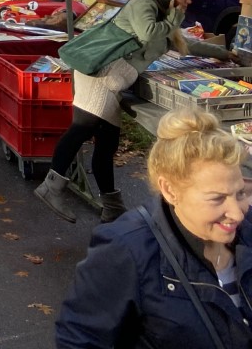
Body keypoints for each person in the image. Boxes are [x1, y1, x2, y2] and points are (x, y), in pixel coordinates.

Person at [55, 107, 252, 348]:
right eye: (217, 199)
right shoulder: (126, 250)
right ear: (170, 190)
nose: (237, 213)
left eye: (240, 193)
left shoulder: (247, 230)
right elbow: (80, 341)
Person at [37, 0, 210, 223]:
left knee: (107, 143)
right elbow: (149, 33)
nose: (188, 1)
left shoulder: (165, 18)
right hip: (102, 75)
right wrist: (175, 16)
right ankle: (51, 187)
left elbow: (185, 45)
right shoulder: (144, 5)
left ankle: (112, 207)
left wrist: (226, 53)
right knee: (82, 128)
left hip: (112, 80)